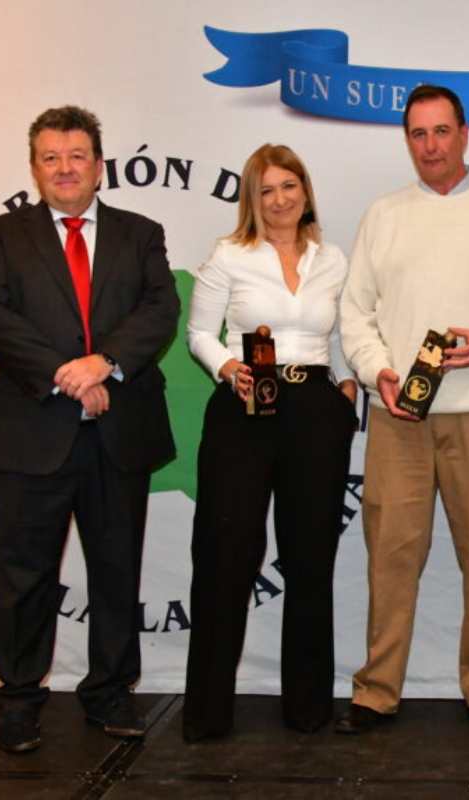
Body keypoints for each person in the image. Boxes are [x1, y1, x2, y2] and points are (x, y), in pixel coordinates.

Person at [337, 84, 469, 736]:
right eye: (418, 134)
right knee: (391, 556)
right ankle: (377, 691)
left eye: (440, 132)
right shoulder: (384, 214)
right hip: (400, 416)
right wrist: (378, 372)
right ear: (409, 140)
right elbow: (354, 312)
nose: (430, 146)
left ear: (464, 134)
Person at [0, 105, 179, 754]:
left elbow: (159, 309)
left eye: (77, 156)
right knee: (24, 575)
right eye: (51, 157)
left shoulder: (141, 233)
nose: (65, 168)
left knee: (116, 572)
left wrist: (104, 363)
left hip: (119, 433)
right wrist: (68, 373)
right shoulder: (2, 235)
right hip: (30, 433)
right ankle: (20, 701)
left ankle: (110, 693)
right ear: (35, 168)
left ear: (99, 165)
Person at [182, 144, 357, 740]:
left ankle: (308, 709)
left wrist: (349, 382)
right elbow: (200, 332)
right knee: (224, 558)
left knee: (311, 562)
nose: (280, 199)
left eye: (290, 186)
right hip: (243, 409)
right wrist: (229, 370)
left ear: (305, 190)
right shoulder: (229, 255)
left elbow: (336, 335)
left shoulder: (331, 259)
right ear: (251, 200)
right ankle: (206, 714)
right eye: (267, 190)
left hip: (314, 410)